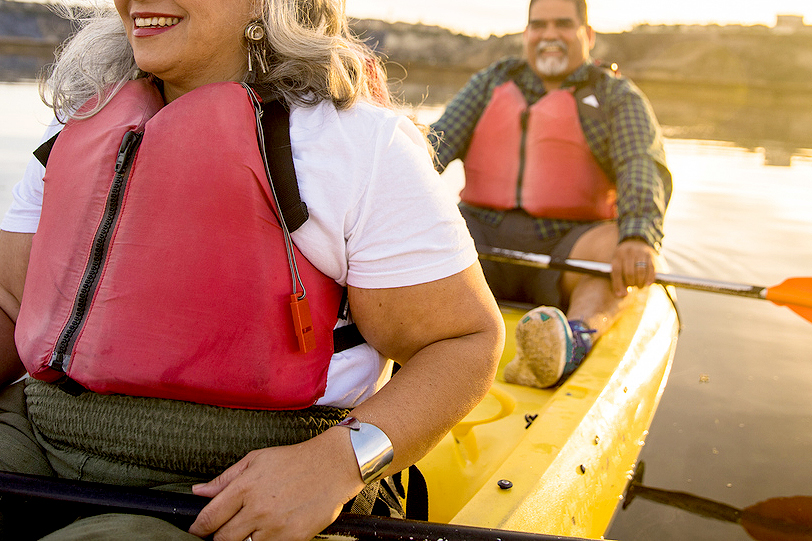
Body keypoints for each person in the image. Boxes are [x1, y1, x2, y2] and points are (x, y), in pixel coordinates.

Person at [0, 0, 505, 539]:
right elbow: (11, 304)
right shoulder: (76, 126)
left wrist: (338, 463)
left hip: (233, 486)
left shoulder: (355, 145)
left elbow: (464, 340)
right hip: (37, 439)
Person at [429, 0, 671, 389]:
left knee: (616, 245)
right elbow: (432, 149)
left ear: (587, 35)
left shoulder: (614, 96)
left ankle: (573, 338)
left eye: (563, 24)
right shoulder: (491, 83)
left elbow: (640, 162)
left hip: (568, 248)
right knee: (420, 227)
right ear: (527, 34)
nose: (549, 35)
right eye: (538, 25)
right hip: (480, 244)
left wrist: (639, 235)